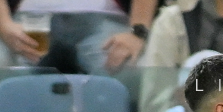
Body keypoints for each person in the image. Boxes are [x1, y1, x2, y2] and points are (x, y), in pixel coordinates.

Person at [0, 0, 154, 74]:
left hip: (104, 17)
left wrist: (137, 31)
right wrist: (4, 23)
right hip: (30, 18)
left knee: (132, 72)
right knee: (4, 67)